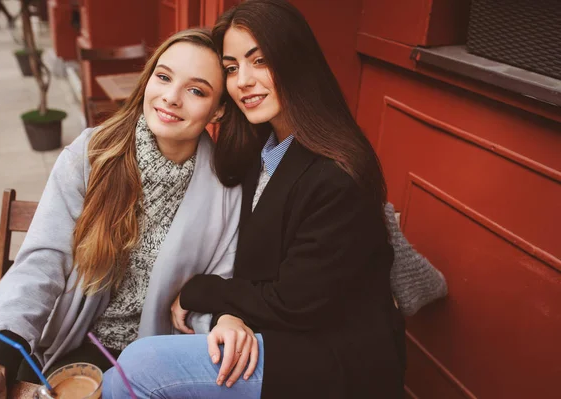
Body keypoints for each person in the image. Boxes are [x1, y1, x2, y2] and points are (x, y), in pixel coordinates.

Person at [103, 1, 410, 398]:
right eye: (231, 68)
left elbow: (294, 302)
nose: (242, 80)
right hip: (275, 330)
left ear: (294, 59)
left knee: (139, 369)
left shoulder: (338, 173)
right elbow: (250, 262)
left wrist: (203, 292)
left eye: (259, 60)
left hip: (334, 358)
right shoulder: (261, 148)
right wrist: (229, 312)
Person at [0, 28, 240, 399]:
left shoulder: (226, 188)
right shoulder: (92, 153)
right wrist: (0, 359)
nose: (171, 98)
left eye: (196, 90)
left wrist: (219, 319)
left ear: (218, 109)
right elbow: (44, 261)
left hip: (157, 358)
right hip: (70, 342)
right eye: (164, 76)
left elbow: (217, 289)